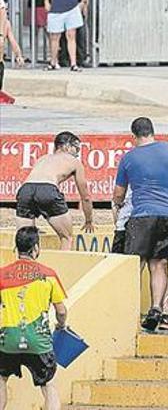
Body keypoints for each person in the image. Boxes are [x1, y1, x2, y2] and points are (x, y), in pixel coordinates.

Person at [114, 117, 168, 332]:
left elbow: (119, 193)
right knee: (159, 263)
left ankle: (127, 310)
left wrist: (118, 206)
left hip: (143, 216)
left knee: (135, 264)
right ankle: (156, 307)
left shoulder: (129, 158)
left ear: (134, 136)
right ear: (152, 131)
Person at [0, 227, 67, 410]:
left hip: (8, 340)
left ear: (17, 248)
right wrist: (62, 326)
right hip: (39, 342)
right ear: (36, 248)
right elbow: (61, 311)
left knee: (1, 380)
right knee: (49, 385)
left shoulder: (2, 275)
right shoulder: (48, 274)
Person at [15, 131, 93, 251]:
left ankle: (22, 268)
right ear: (67, 146)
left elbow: (35, 186)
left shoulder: (43, 158)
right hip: (47, 190)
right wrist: (89, 221)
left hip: (25, 190)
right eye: (76, 149)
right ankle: (62, 269)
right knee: (66, 238)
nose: (77, 153)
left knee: (24, 239)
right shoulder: (74, 162)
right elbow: (85, 196)